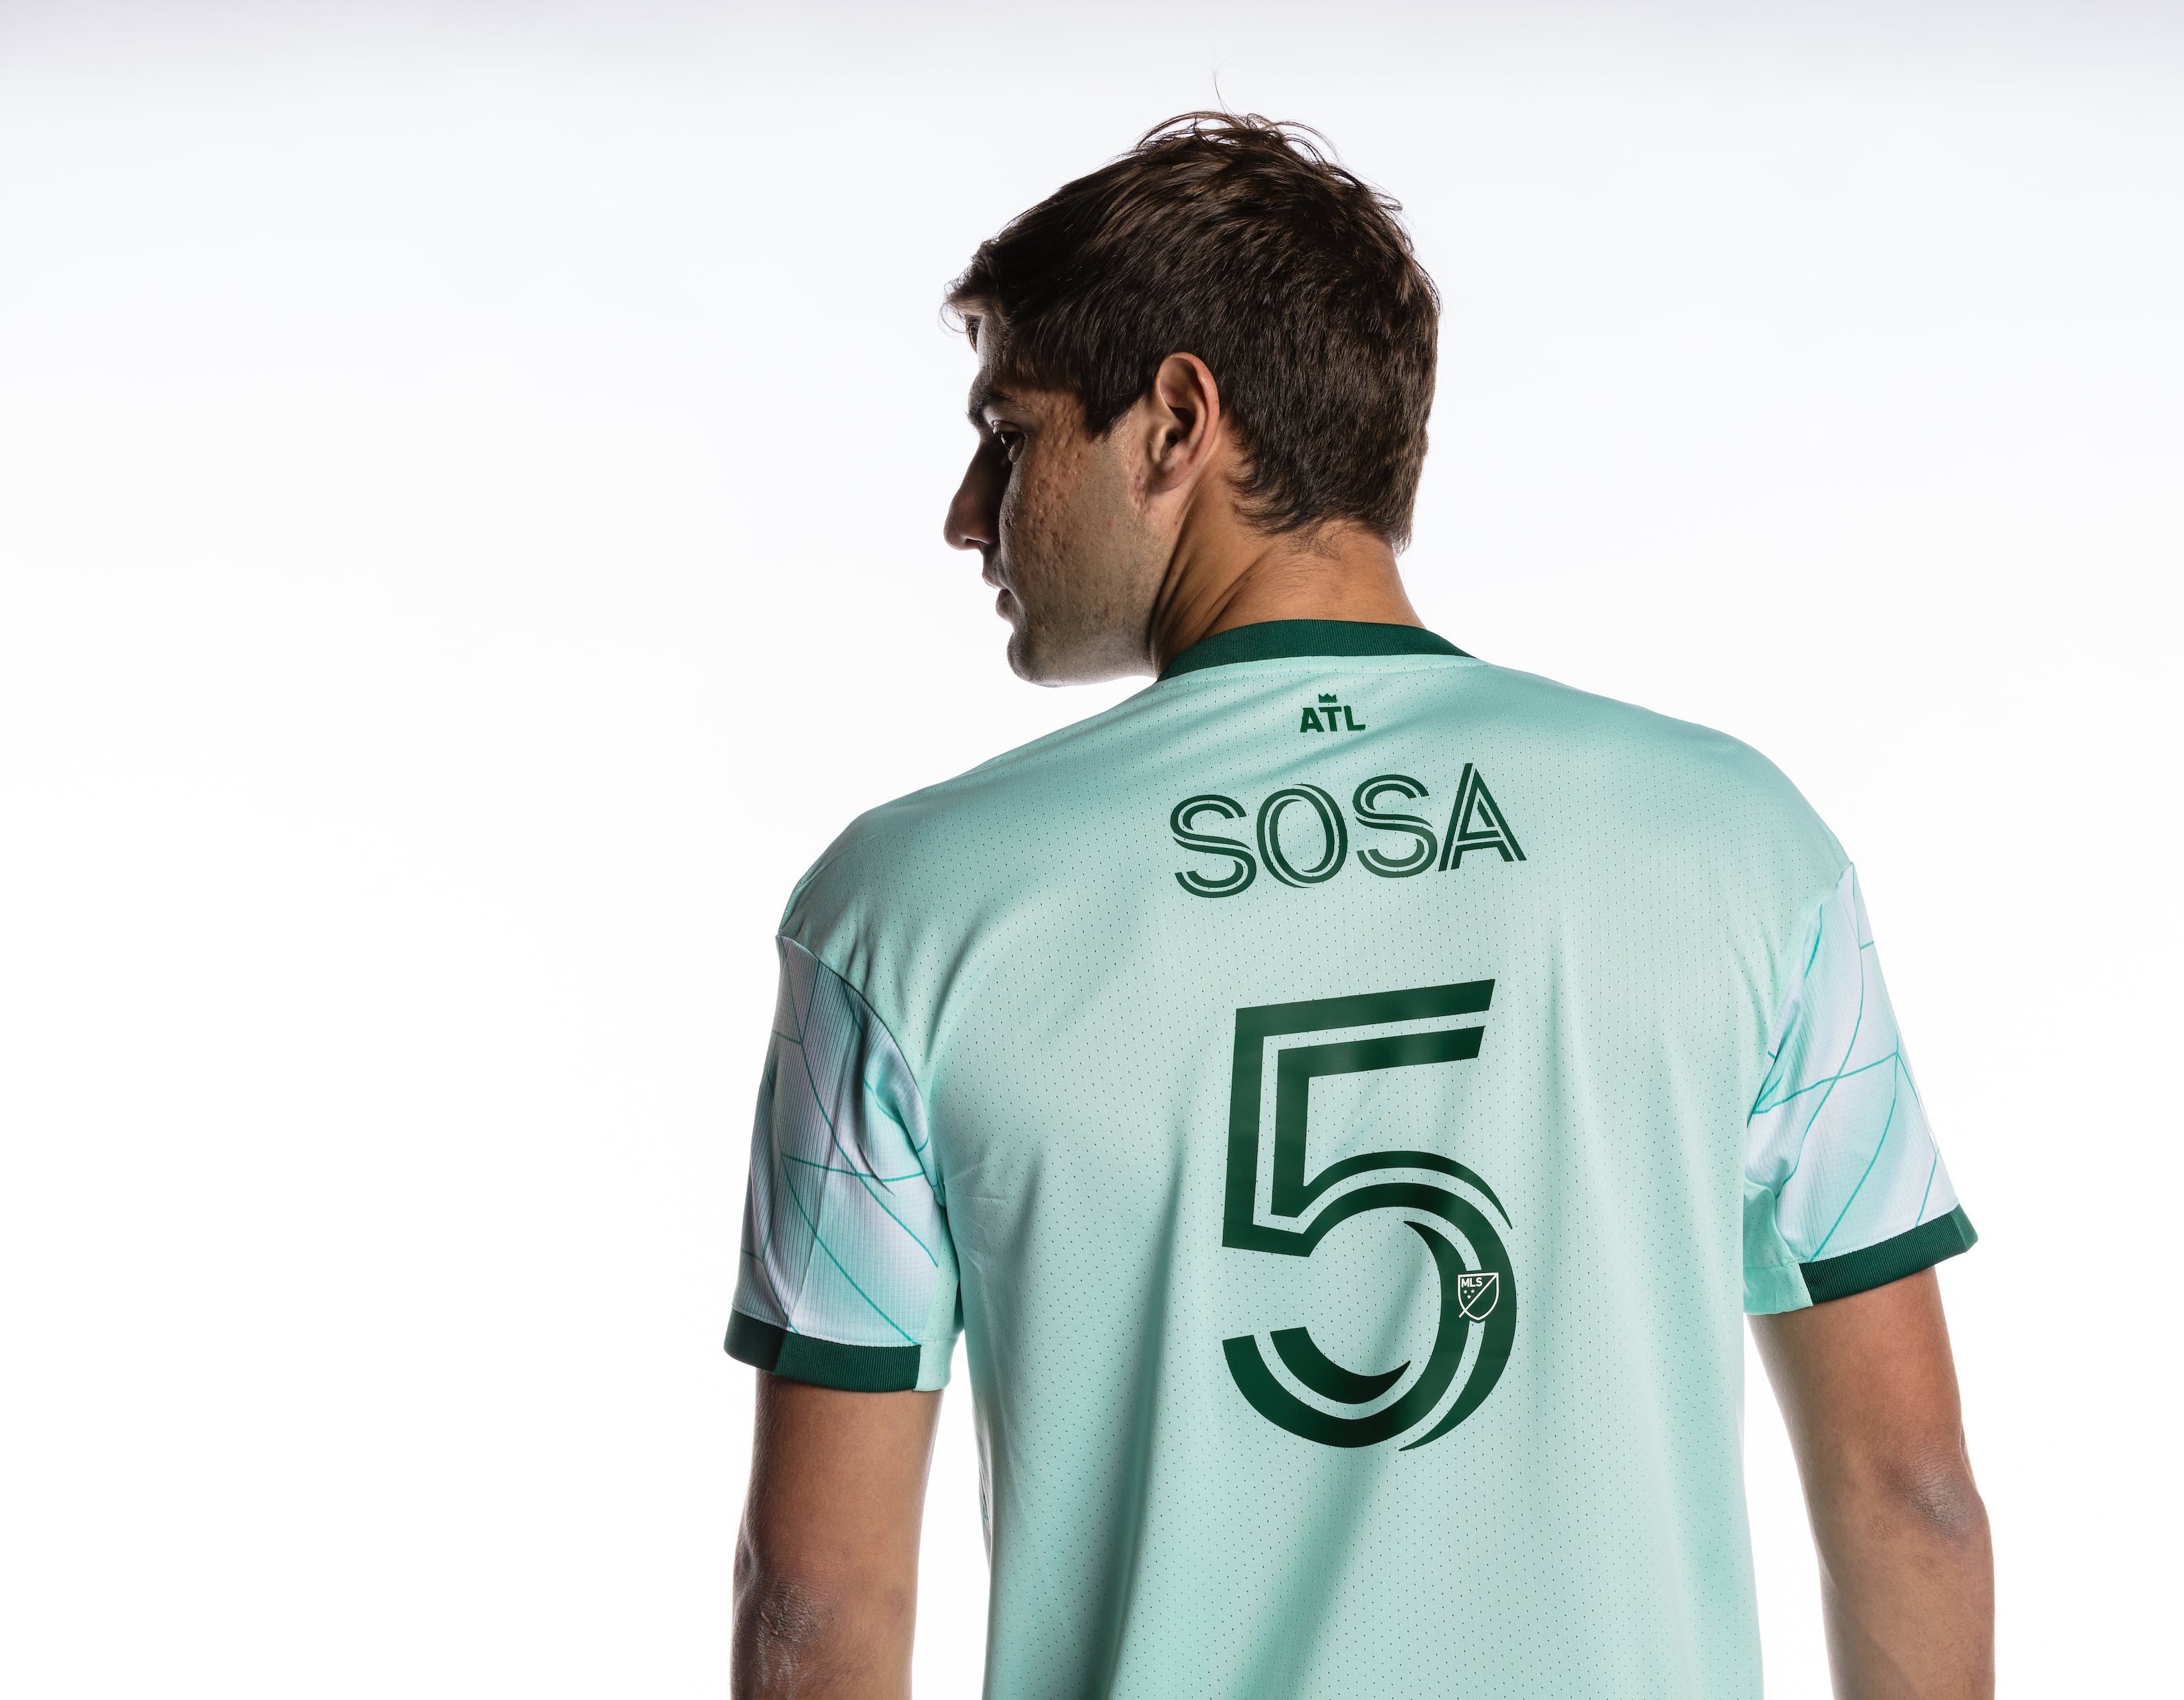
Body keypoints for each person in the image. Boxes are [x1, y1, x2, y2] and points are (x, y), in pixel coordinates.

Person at [724, 113, 1991, 1700]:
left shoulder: (900, 920)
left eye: (1013, 431)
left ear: (1176, 421)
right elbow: (1911, 1498)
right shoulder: (1740, 846)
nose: (971, 512)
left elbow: (814, 1605)